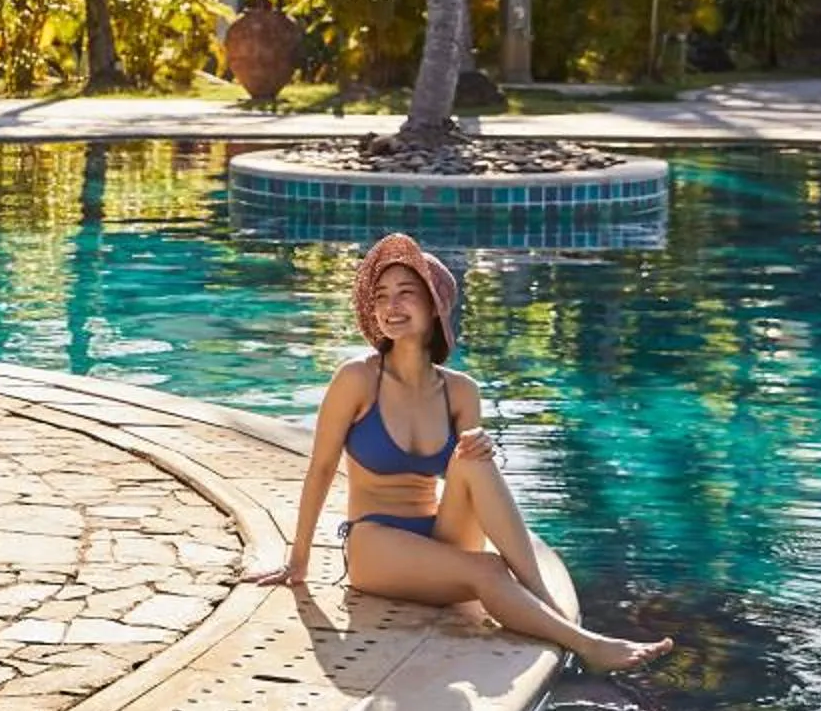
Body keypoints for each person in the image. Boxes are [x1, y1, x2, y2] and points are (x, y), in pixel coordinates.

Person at [243, 232, 671, 674]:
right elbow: (321, 469)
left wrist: (483, 450)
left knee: (474, 457)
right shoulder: (356, 378)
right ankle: (587, 643)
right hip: (376, 542)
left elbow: (476, 486)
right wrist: (299, 561)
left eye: (406, 295)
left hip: (438, 533)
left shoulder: (462, 391)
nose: (391, 307)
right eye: (381, 296)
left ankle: (541, 599)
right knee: (486, 571)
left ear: (434, 307)